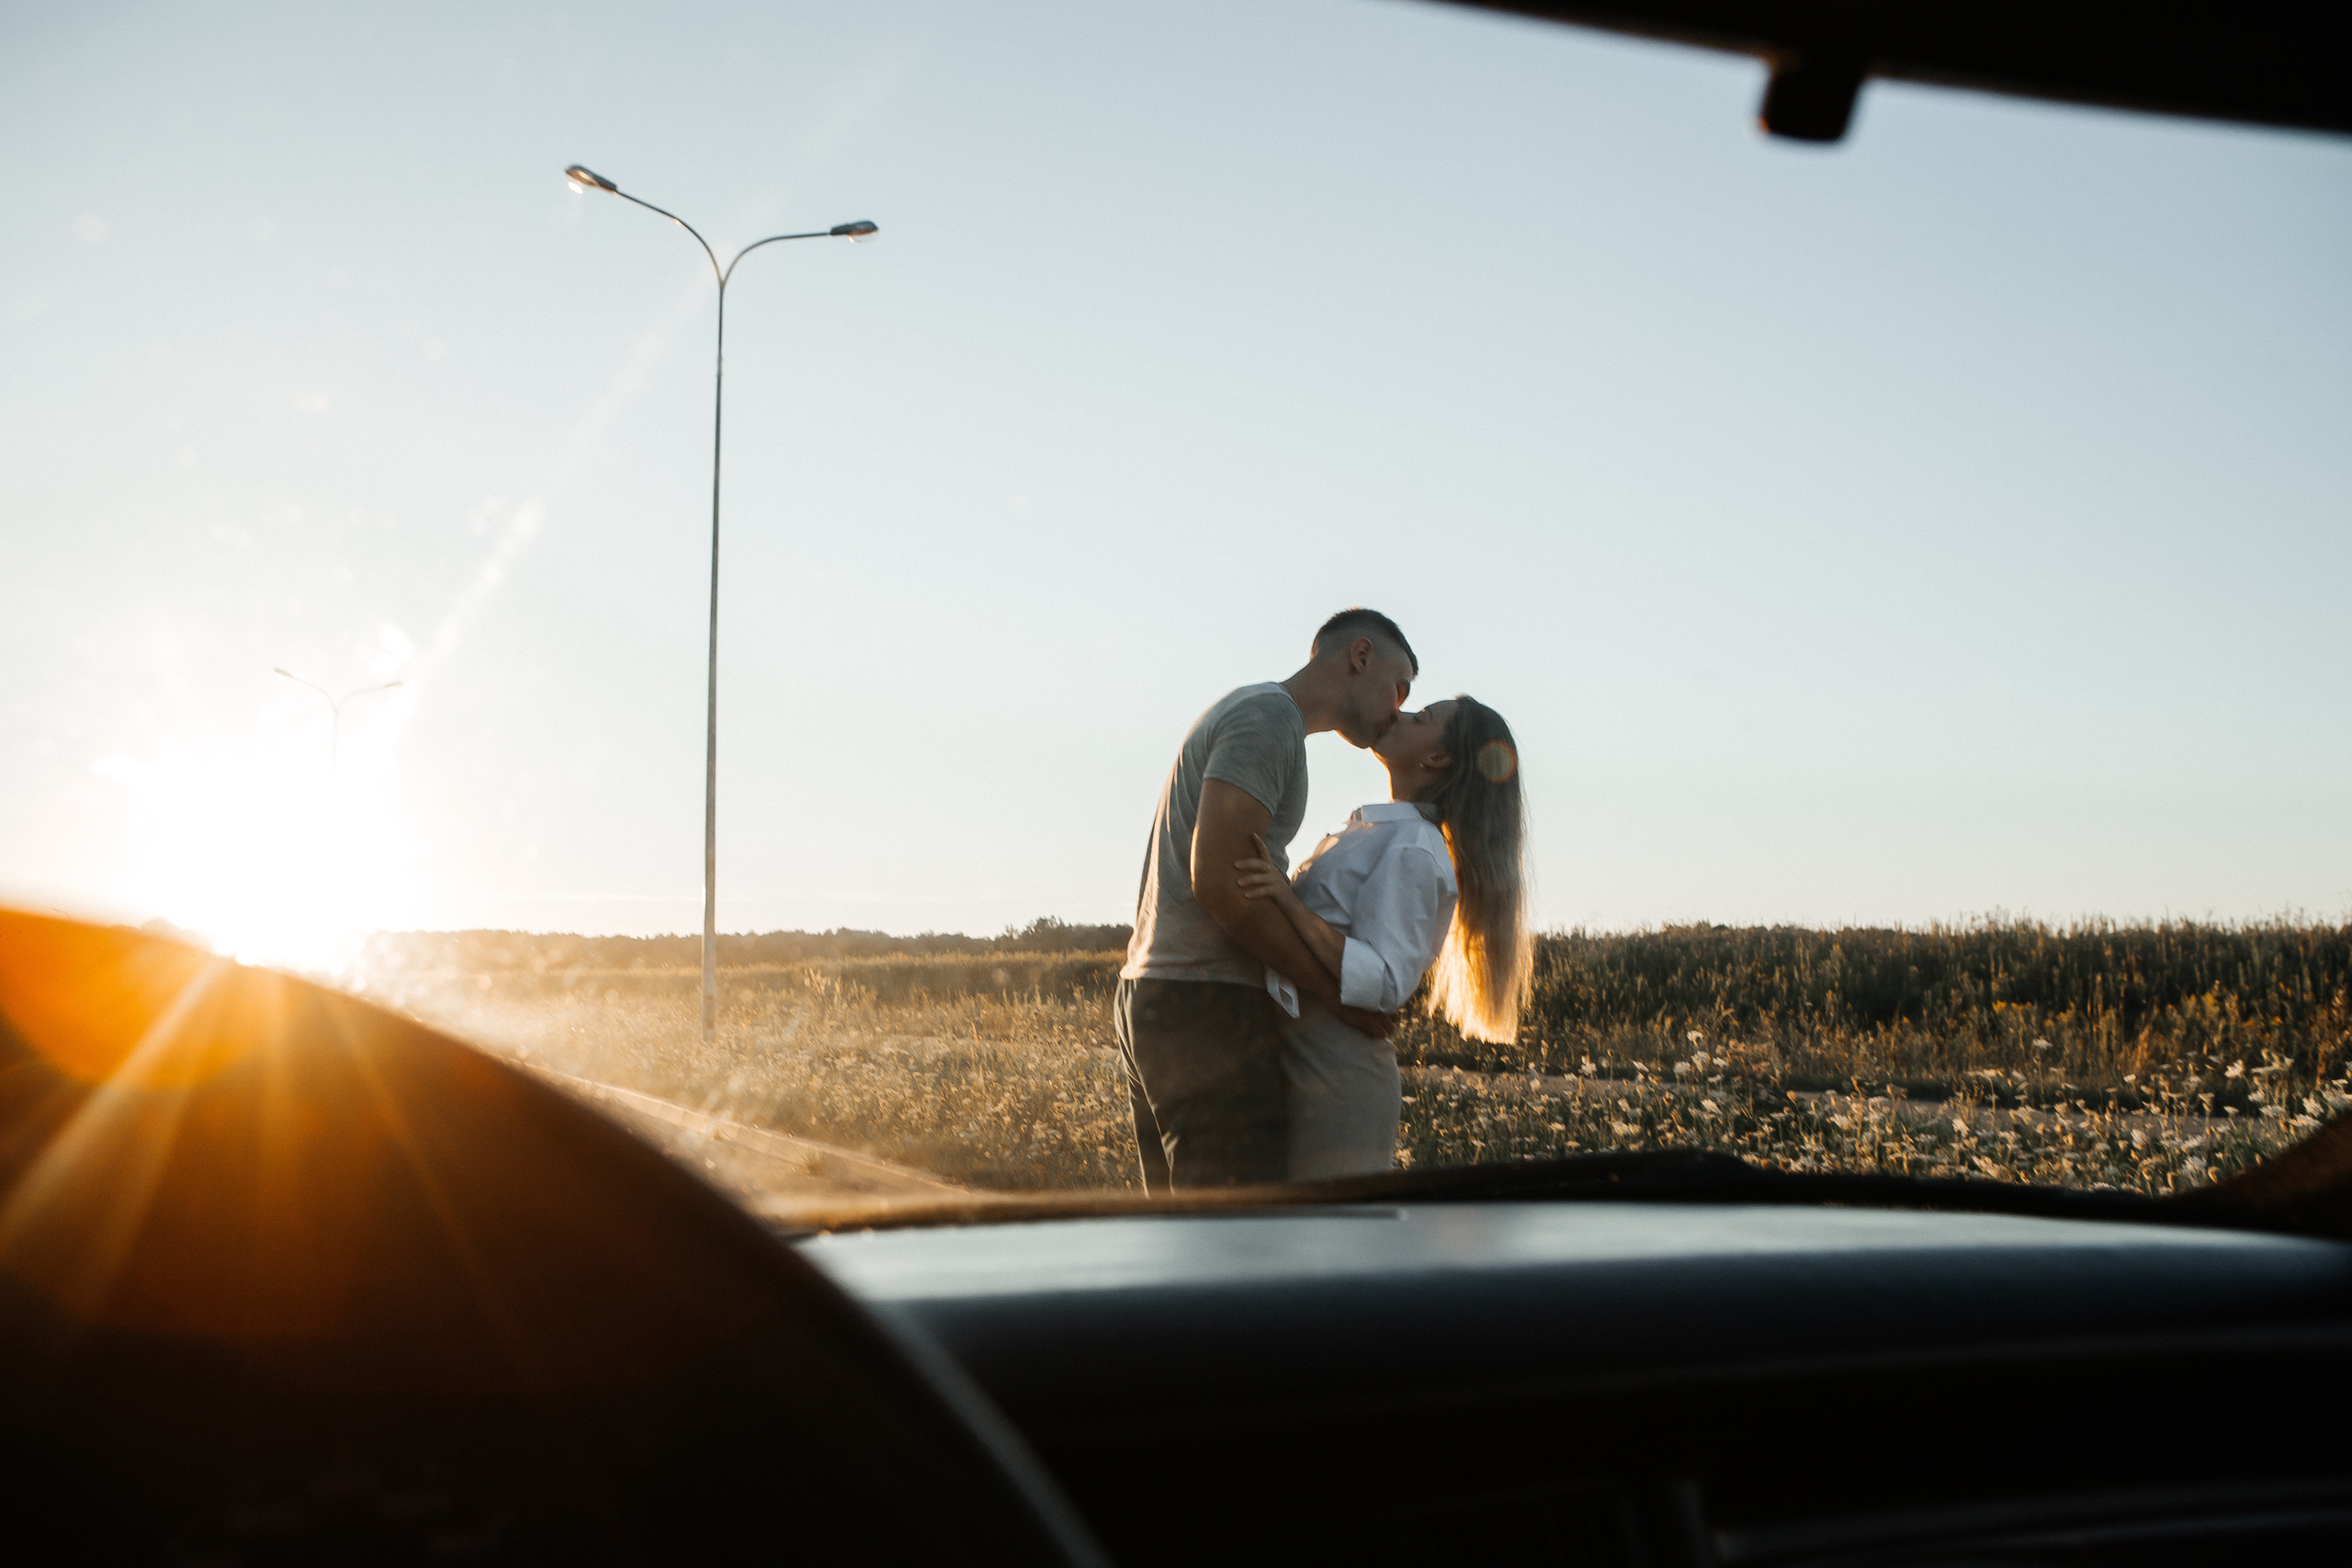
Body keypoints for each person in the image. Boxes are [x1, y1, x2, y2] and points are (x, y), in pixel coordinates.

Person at [1116, 608, 1419, 1190]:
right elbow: (1220, 883)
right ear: (1360, 657)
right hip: (1203, 1006)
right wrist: (1335, 991)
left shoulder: (1262, 714)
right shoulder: (1268, 719)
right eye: (1399, 685)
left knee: (1186, 1244)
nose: (1398, 708)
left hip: (1162, 994)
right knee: (1234, 1244)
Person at [1233, 696, 1531, 1179]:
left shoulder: (1413, 847)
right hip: (1309, 1057)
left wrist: (1287, 903)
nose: (1398, 713)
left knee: (1334, 1245)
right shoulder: (1376, 831)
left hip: (1341, 1073)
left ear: (1436, 759)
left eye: (1420, 718)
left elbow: (1386, 980)